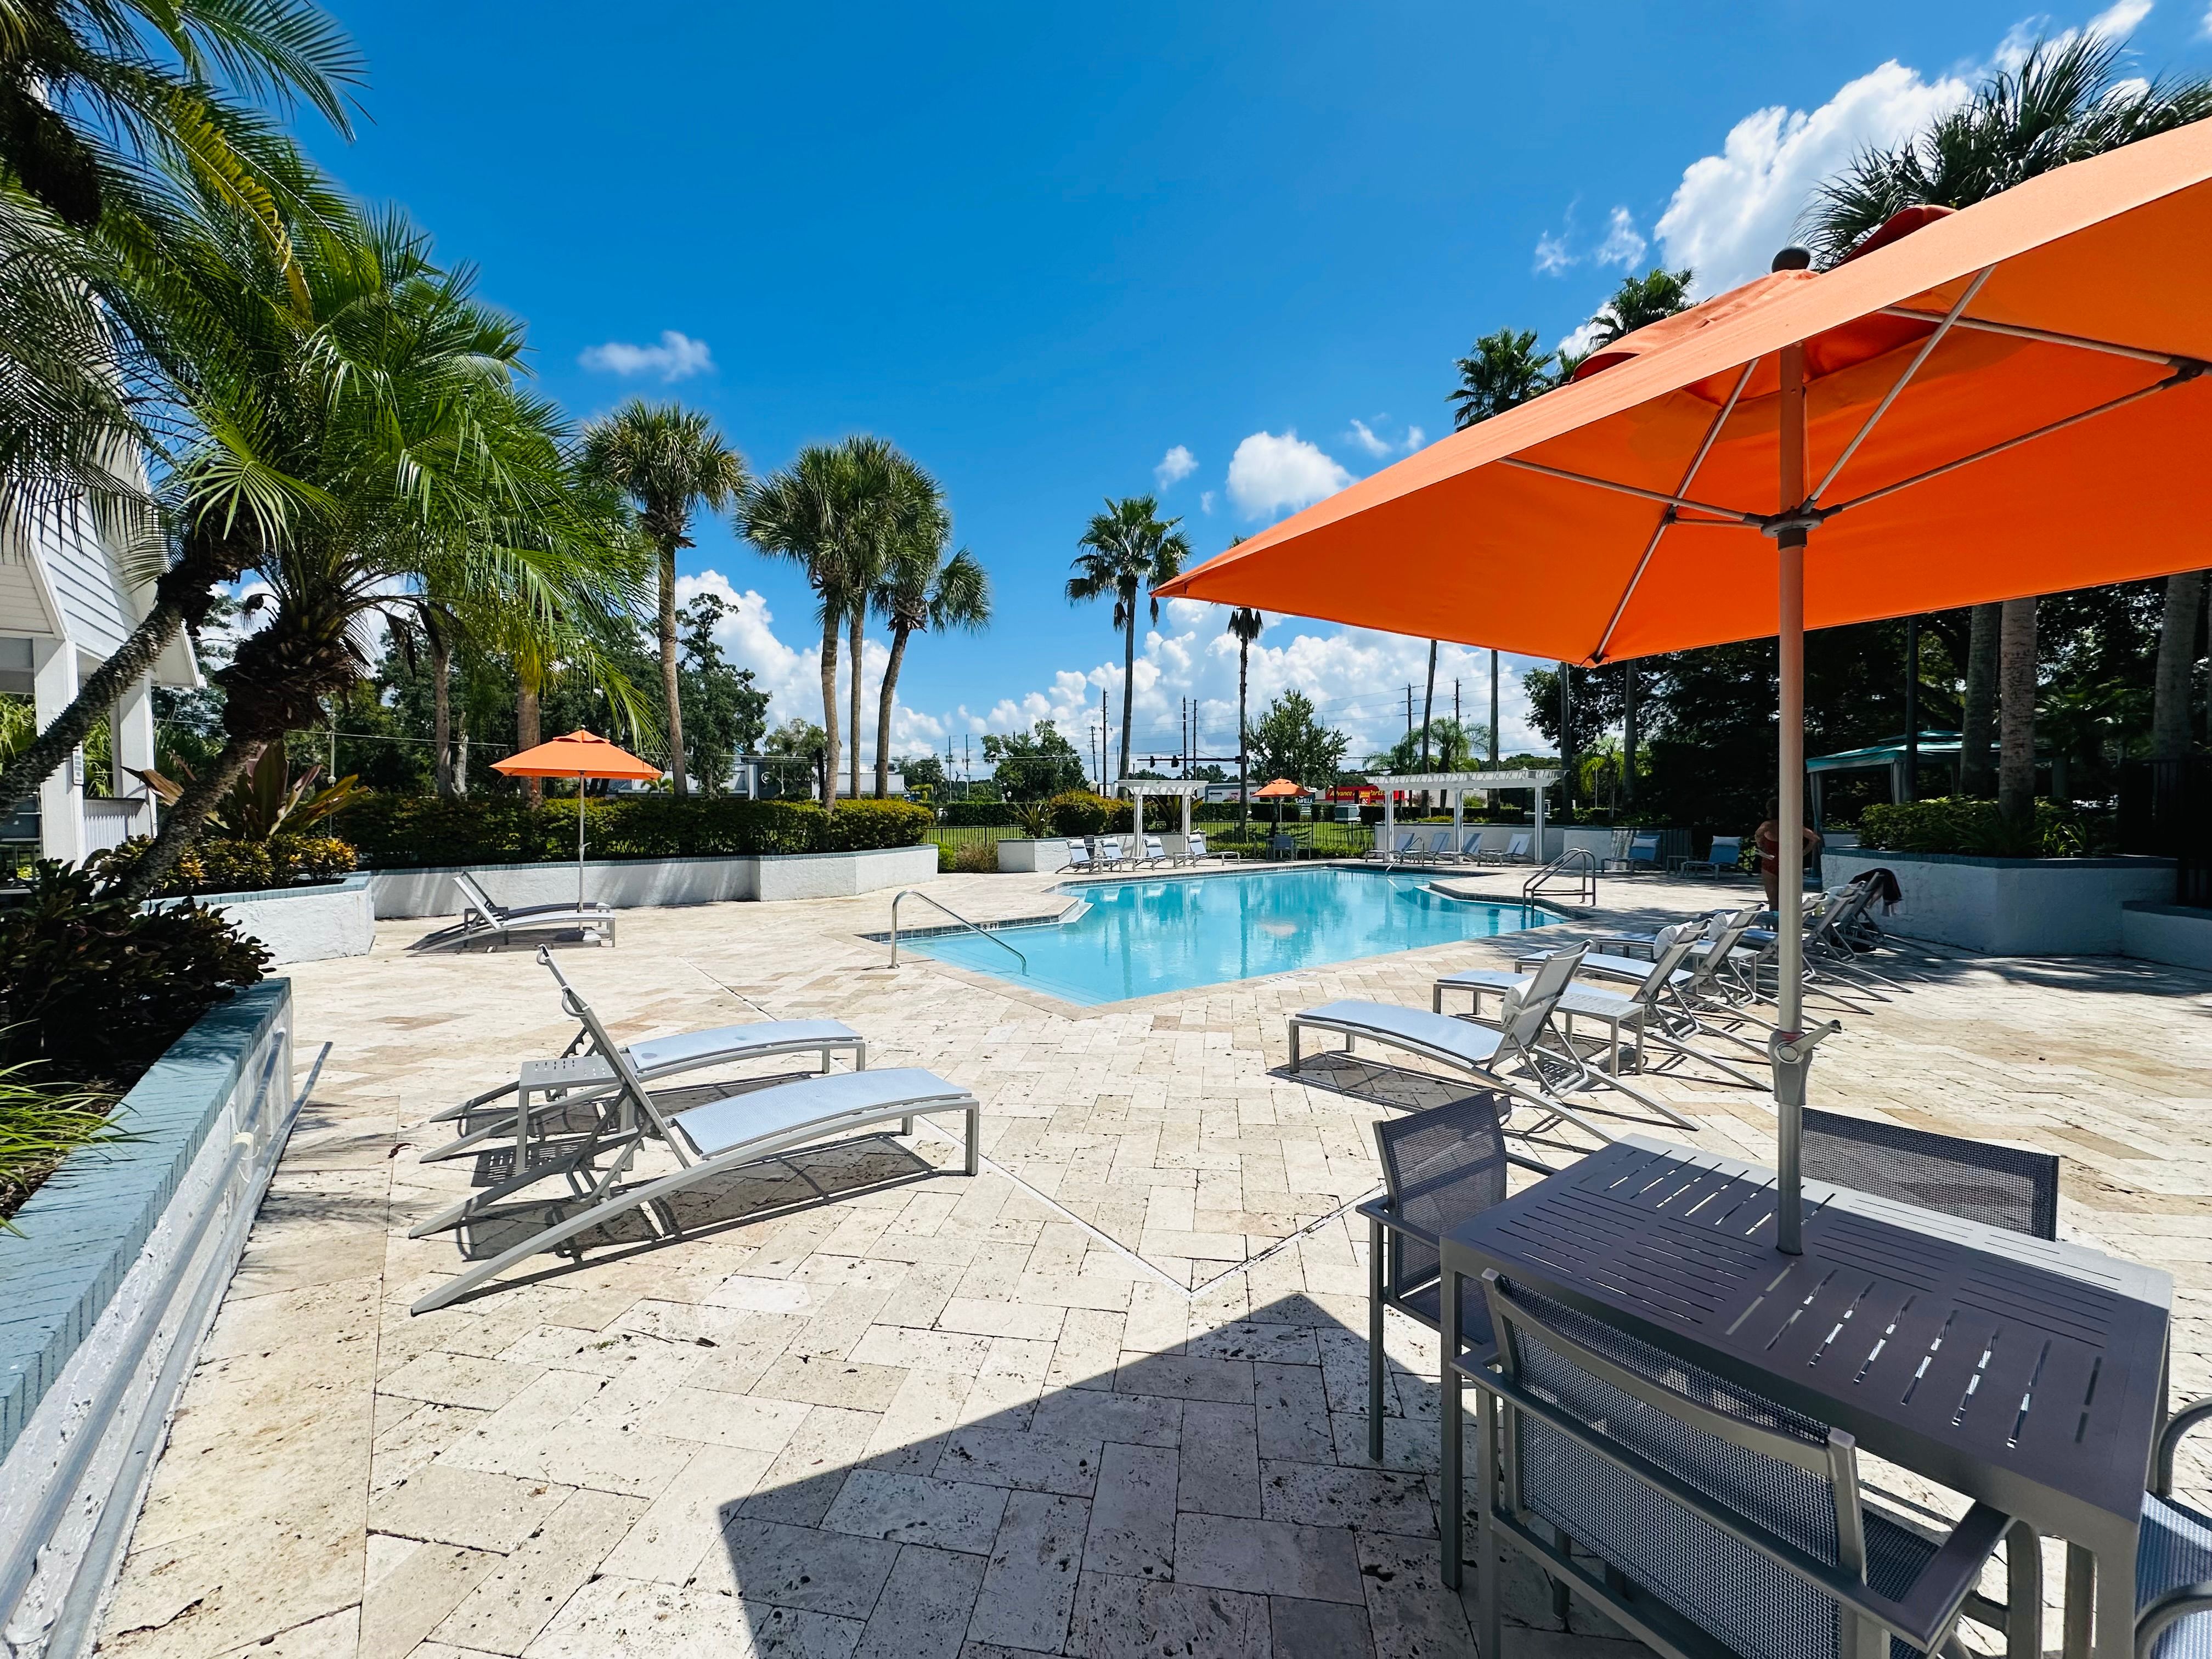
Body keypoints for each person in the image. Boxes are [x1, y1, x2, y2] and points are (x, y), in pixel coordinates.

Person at [1753, 796, 1822, 906]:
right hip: (1789, 862)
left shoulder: (1768, 825)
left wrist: (1760, 845)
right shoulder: (1794, 825)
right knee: (1790, 898)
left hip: (1771, 861)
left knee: (1773, 899)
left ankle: (1775, 922)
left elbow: (1758, 834)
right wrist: (1803, 853)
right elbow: (1815, 839)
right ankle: (1790, 920)